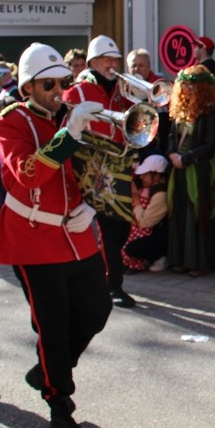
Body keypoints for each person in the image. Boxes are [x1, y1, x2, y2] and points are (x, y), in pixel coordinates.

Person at [0, 42, 110, 428]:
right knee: (53, 329)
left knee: (97, 310)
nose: (58, 90)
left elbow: (101, 170)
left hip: (78, 233)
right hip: (33, 237)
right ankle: (59, 405)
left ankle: (48, 372)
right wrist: (70, 133)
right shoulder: (11, 123)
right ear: (28, 87)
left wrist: (94, 206)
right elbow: (28, 175)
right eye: (48, 84)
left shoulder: (73, 115)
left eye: (63, 81)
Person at [63, 35, 138, 309]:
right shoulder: (77, 91)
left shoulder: (122, 90)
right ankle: (112, 285)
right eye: (107, 59)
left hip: (119, 167)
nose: (113, 63)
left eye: (115, 59)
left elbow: (136, 123)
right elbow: (67, 131)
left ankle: (107, 279)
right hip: (92, 172)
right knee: (107, 230)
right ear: (93, 61)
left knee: (121, 228)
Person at [167, 65, 215, 277]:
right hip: (178, 168)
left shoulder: (210, 111)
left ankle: (197, 262)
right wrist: (172, 154)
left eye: (192, 85)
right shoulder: (179, 109)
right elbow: (171, 137)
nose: (188, 88)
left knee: (197, 214)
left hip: (198, 169)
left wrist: (186, 158)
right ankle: (179, 259)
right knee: (179, 212)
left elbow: (210, 144)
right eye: (185, 84)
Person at [122, 154, 169, 273]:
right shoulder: (150, 188)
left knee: (132, 248)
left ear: (157, 176)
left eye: (145, 174)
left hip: (160, 237)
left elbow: (144, 222)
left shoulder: (160, 194)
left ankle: (159, 258)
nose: (141, 177)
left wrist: (136, 199)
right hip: (151, 231)